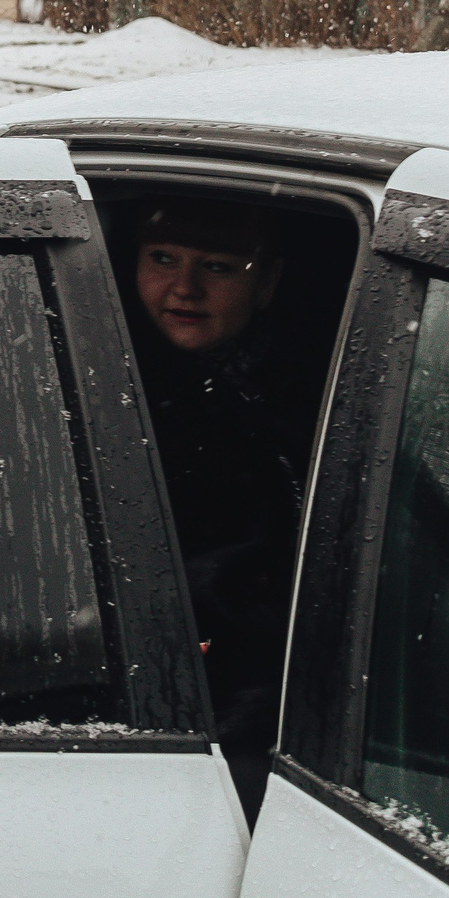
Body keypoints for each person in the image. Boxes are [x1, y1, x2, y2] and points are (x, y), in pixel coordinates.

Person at [121, 196, 312, 819]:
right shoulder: (105, 380)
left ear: (269, 283)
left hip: (279, 693)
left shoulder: (309, 388)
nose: (183, 287)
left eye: (220, 268)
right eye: (163, 258)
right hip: (172, 701)